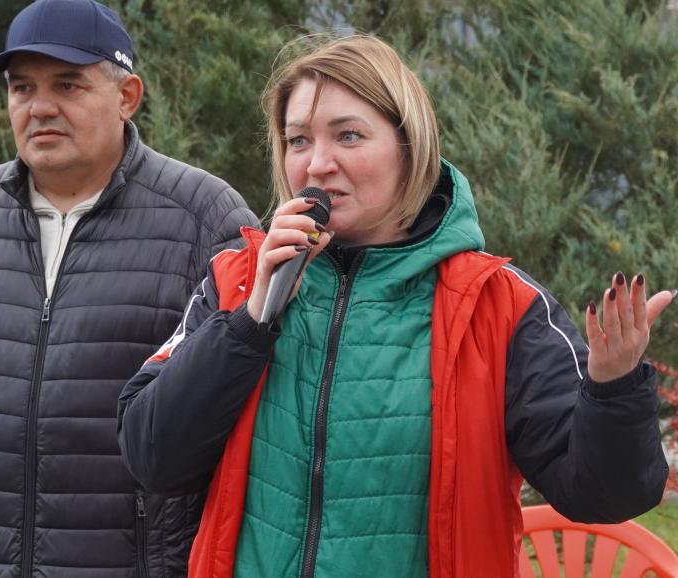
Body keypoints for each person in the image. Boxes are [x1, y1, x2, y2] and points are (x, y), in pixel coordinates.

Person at [117, 34, 672, 578]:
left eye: (349, 135)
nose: (317, 164)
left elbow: (604, 496)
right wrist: (250, 321)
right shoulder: (237, 279)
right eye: (298, 140)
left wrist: (614, 391)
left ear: (410, 148)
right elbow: (152, 457)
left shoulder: (500, 303)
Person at [0, 0, 258, 576]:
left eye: (67, 85)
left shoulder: (207, 221)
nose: (40, 107)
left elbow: (240, 444)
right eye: (22, 88)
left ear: (127, 96)